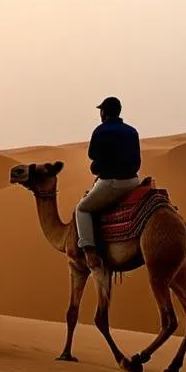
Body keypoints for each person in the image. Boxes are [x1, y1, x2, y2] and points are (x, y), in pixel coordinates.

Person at [75, 97, 141, 268]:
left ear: (103, 112)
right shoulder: (132, 131)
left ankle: (89, 253)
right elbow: (137, 161)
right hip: (133, 182)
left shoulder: (100, 131)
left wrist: (98, 165)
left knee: (82, 209)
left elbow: (93, 156)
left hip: (112, 184)